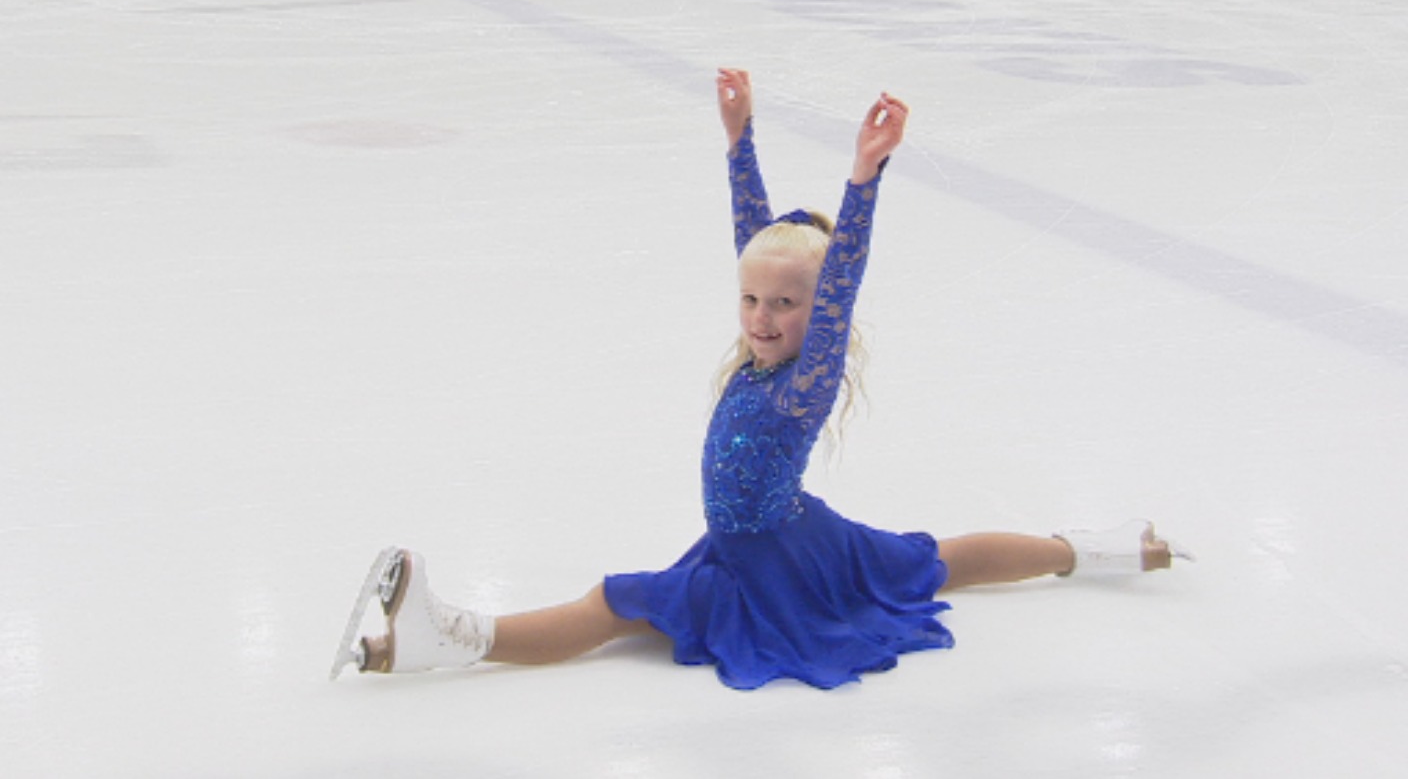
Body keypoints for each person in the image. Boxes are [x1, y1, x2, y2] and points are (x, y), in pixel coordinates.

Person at [329, 68, 1193, 690]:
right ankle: (1108, 545)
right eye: (751, 299)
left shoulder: (803, 382)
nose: (762, 316)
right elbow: (759, 241)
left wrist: (864, 178)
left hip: (772, 561)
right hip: (776, 533)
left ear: (820, 320)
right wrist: (739, 142)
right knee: (929, 563)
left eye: (785, 304)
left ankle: (451, 638)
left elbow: (840, 273)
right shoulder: (760, 347)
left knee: (620, 604)